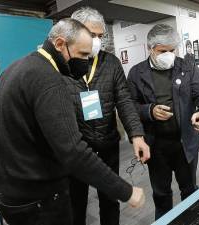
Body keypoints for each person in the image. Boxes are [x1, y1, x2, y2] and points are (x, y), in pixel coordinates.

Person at [0, 18, 145, 225]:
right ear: (60, 44)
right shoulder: (50, 80)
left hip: (7, 197)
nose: (85, 63)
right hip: (40, 201)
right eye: (82, 55)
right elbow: (73, 152)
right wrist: (126, 191)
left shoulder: (13, 70)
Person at [66, 7, 150, 225]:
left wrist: (137, 135)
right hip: (76, 148)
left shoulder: (110, 62)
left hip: (107, 143)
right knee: (76, 203)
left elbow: (124, 100)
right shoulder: (62, 64)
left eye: (100, 36)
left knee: (110, 198)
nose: (96, 41)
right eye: (91, 35)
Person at [127, 24, 199, 220]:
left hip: (185, 143)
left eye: (172, 50)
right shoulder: (136, 73)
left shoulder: (187, 67)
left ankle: (192, 220)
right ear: (150, 48)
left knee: (190, 189)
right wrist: (149, 111)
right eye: (162, 51)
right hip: (156, 146)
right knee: (161, 193)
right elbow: (129, 105)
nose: (168, 54)